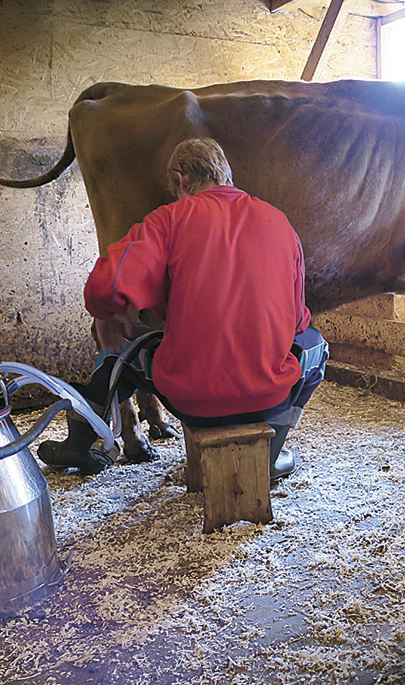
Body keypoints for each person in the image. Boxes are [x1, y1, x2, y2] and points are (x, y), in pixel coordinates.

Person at [38, 137, 328, 479]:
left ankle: (79, 445)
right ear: (227, 175)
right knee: (316, 345)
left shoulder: (169, 219)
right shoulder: (278, 221)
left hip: (192, 401)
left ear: (180, 180)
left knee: (115, 357)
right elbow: (297, 319)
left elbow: (111, 283)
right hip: (269, 395)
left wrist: (107, 312)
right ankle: (271, 452)